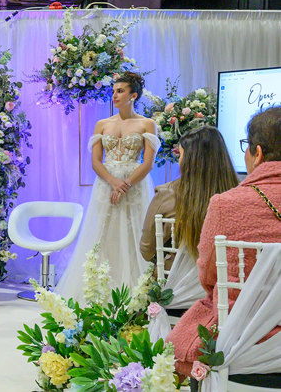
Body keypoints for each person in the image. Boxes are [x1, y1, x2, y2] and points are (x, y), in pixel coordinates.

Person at [167, 106, 281, 380]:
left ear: (258, 153)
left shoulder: (226, 204)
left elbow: (208, 276)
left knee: (183, 342)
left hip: (238, 333)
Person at [55, 72, 160, 300]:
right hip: (106, 184)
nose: (115, 95)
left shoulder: (147, 124)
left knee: (134, 235)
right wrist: (113, 183)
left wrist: (126, 185)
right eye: (114, 91)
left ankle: (135, 293)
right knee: (103, 234)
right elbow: (95, 162)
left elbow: (148, 162)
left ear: (133, 95)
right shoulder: (102, 124)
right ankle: (99, 291)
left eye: (120, 91)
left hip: (135, 186)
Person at [140, 126, 238, 274]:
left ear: (189, 160)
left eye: (180, 155)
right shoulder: (237, 195)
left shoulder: (167, 194)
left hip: (175, 283)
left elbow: (146, 250)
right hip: (225, 282)